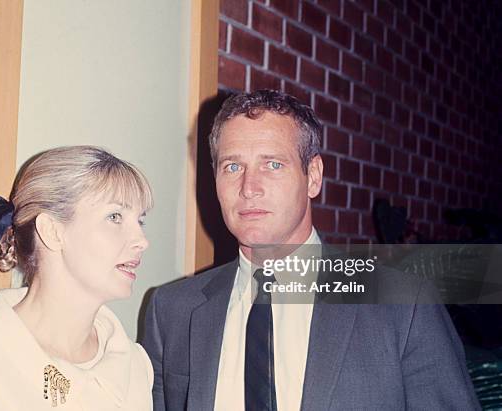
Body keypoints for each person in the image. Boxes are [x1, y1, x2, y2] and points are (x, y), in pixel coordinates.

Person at [142, 90, 480, 410]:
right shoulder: (172, 311)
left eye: (272, 164)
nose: (249, 187)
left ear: (313, 176)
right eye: (232, 166)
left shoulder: (403, 306)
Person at [0, 146, 154, 410]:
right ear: (52, 231)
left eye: (140, 221)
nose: (142, 241)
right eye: (115, 217)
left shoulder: (134, 365)